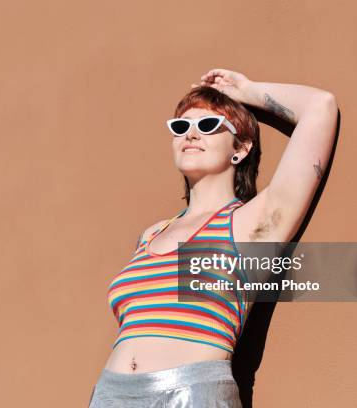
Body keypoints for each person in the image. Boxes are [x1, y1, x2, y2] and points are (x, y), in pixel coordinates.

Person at [88, 68, 338, 407]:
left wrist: (247, 91)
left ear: (241, 149)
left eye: (207, 125)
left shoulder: (250, 224)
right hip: (111, 395)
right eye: (181, 127)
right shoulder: (151, 235)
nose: (191, 134)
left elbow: (320, 107)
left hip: (191, 395)